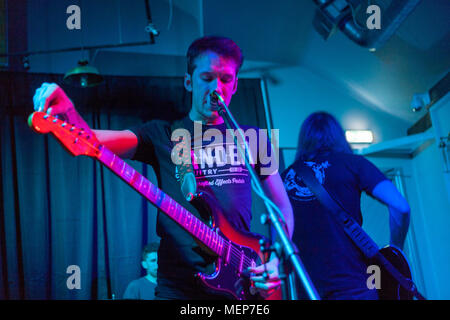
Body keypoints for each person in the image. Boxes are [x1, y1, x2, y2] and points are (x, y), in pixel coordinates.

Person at [33, 36, 294, 300]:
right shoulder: (164, 134)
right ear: (188, 81)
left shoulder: (257, 139)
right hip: (178, 287)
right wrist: (71, 117)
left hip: (241, 278)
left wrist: (273, 262)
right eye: (207, 77)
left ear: (236, 84)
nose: (217, 87)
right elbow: (95, 140)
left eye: (225, 79)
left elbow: (282, 208)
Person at [281, 111, 410, 300]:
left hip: (307, 291)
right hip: (355, 287)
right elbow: (401, 207)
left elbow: (279, 238)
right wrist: (396, 250)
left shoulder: (282, 179)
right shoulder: (354, 164)